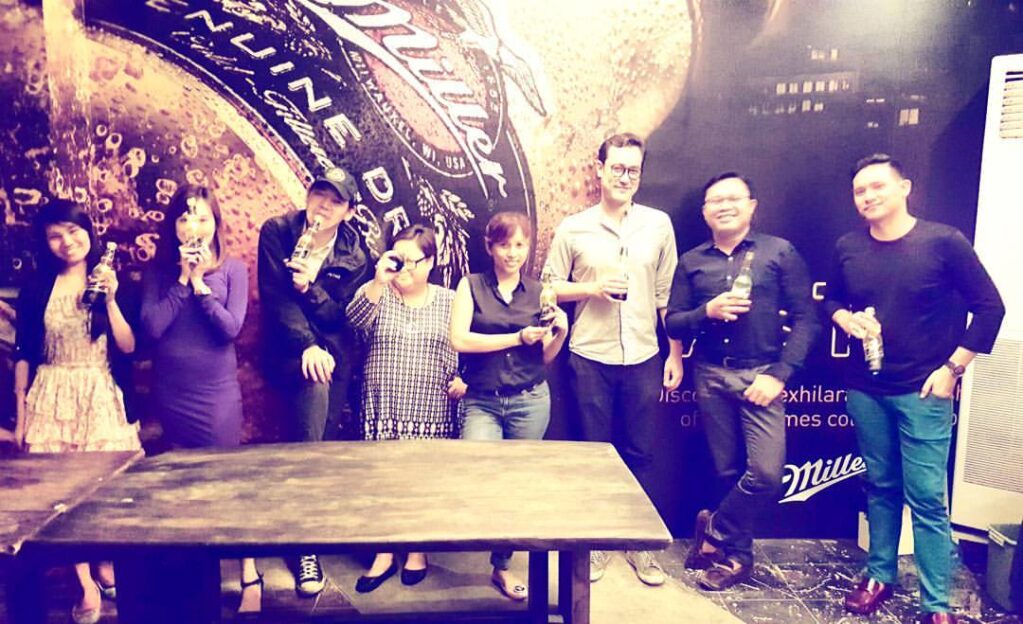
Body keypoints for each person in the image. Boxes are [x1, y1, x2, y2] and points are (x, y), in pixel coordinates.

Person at [824, 154, 1004, 624]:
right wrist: (843, 317)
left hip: (925, 392)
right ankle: (879, 575)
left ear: (904, 187)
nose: (868, 196)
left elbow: (991, 308)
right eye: (860, 190)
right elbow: (832, 298)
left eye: (877, 186)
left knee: (926, 499)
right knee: (881, 486)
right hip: (866, 388)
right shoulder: (848, 246)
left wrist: (953, 369)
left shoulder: (943, 242)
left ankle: (936, 605)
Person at [665, 172, 818, 590]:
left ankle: (714, 530)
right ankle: (737, 558)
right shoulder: (692, 261)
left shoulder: (779, 252)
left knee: (765, 474)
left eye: (733, 198)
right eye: (715, 200)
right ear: (704, 212)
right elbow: (674, 322)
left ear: (752, 205)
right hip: (711, 375)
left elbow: (807, 320)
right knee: (726, 470)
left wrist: (780, 375)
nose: (724, 206)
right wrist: (707, 312)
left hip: (762, 375)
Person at [544, 132, 684, 586]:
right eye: (618, 168)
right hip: (590, 355)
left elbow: (666, 295)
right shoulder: (574, 227)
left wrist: (675, 352)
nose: (625, 177)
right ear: (600, 169)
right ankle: (599, 543)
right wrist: (591, 288)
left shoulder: (658, 225)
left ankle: (638, 544)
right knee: (595, 454)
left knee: (640, 453)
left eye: (633, 170)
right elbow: (547, 287)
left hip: (644, 354)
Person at [12, 199, 141, 624]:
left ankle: (103, 560)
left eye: (73, 231)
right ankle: (85, 582)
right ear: (45, 243)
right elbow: (24, 352)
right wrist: (20, 416)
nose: (66, 242)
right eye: (55, 236)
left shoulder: (112, 278)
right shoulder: (36, 287)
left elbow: (128, 347)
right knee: (61, 495)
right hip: (51, 392)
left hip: (99, 390)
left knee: (102, 488)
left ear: (88, 230)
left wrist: (112, 300)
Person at [139, 185, 260, 612]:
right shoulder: (157, 273)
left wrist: (201, 287)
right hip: (172, 392)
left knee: (228, 482)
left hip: (216, 395)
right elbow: (152, 329)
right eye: (185, 217)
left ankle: (250, 574)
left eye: (203, 218)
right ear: (174, 226)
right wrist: (181, 281)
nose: (194, 225)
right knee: (184, 488)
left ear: (215, 224)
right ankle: (197, 579)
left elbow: (230, 329)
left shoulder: (233, 269)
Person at [257, 166, 372, 596]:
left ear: (349, 211)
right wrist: (306, 344)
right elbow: (274, 298)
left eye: (335, 200)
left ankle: (309, 529)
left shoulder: (357, 255)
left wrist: (310, 289)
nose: (323, 205)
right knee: (308, 443)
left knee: (318, 446)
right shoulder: (278, 231)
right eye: (318, 194)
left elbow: (341, 317)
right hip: (290, 352)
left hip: (335, 356)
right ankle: (304, 546)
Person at [449, 211, 569, 601]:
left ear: (528, 247)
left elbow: (545, 356)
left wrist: (560, 333)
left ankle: (502, 565)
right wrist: (517, 337)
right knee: (479, 475)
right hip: (482, 401)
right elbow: (459, 340)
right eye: (504, 245)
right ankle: (477, 543)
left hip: (529, 400)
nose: (512, 253)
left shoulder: (540, 292)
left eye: (519, 244)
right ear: (490, 246)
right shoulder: (470, 286)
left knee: (518, 486)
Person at [346, 223, 465, 593]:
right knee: (380, 482)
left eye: (412, 261)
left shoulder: (450, 300)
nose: (404, 268)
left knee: (422, 482)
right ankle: (383, 552)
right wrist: (378, 281)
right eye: (398, 259)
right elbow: (352, 324)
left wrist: (465, 379)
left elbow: (470, 345)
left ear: (430, 262)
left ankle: (417, 548)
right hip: (382, 406)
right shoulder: (377, 291)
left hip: (432, 408)